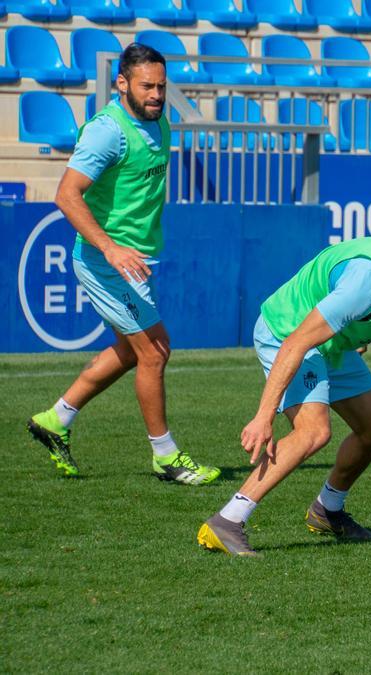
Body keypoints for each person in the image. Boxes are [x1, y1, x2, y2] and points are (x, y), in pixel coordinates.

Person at [197, 217, 371, 557]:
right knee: (312, 432)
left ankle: (327, 510)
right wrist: (263, 416)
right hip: (287, 333)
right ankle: (227, 520)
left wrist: (357, 334)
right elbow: (296, 342)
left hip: (331, 343)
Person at [25, 44, 220, 485]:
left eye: (162, 86)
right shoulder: (106, 131)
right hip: (104, 262)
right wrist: (111, 248)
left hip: (134, 263)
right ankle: (165, 456)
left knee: (135, 352)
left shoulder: (159, 121)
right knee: (155, 351)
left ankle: (55, 419)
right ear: (122, 83)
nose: (156, 94)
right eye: (147, 86)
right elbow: (66, 195)